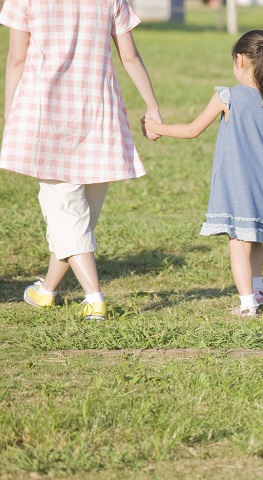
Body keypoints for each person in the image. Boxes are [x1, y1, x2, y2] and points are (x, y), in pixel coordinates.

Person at [1, 0, 162, 321]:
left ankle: (94, 298)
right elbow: (129, 56)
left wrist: (10, 113)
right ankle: (46, 291)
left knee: (69, 218)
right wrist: (152, 106)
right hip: (98, 115)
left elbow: (17, 58)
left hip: (46, 114)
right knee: (78, 219)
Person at [145, 30, 263, 317]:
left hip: (239, 187)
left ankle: (247, 304)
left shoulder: (227, 97)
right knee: (254, 240)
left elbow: (192, 130)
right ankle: (257, 292)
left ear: (240, 60)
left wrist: (156, 128)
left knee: (238, 244)